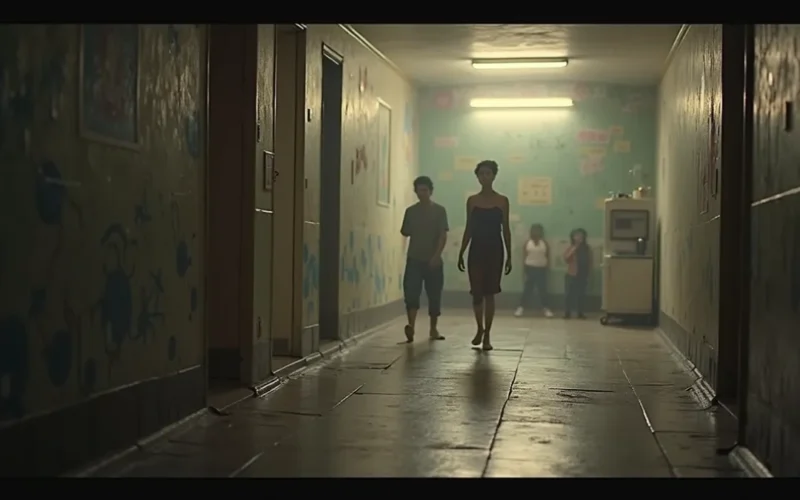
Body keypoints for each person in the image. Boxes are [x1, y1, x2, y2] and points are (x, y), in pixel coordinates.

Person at [457, 160, 512, 351]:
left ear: (494, 176)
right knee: (476, 293)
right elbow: (469, 228)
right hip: (476, 249)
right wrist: (461, 251)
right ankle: (479, 328)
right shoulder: (472, 201)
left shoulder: (502, 201)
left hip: (495, 250)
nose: (485, 177)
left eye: (488, 173)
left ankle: (487, 334)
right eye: (481, 174)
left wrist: (509, 255)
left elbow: (506, 229)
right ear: (477, 177)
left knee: (490, 293)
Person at [400, 176, 449, 343]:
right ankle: (411, 326)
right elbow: (405, 231)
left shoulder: (439, 211)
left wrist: (436, 255)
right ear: (415, 192)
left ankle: (433, 328)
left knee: (434, 295)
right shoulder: (410, 211)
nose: (422, 193)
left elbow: (443, 235)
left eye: (425, 190)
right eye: (419, 190)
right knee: (411, 293)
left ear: (431, 191)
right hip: (414, 258)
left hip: (433, 260)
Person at [514, 223, 554, 318]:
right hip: (530, 268)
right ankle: (521, 308)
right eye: (535, 230)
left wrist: (548, 268)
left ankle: (546, 308)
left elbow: (548, 256)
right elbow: (524, 257)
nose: (536, 232)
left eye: (538, 230)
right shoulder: (528, 243)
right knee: (527, 289)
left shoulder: (544, 243)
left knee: (543, 289)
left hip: (541, 269)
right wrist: (524, 271)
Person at [563, 228, 592, 319]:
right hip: (572, 274)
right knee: (569, 294)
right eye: (576, 235)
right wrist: (574, 248)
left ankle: (580, 313)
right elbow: (566, 259)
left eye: (580, 235)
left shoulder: (587, 248)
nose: (578, 237)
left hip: (583, 274)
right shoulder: (571, 247)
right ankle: (567, 312)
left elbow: (590, 261)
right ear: (573, 237)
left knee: (581, 294)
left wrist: (589, 274)